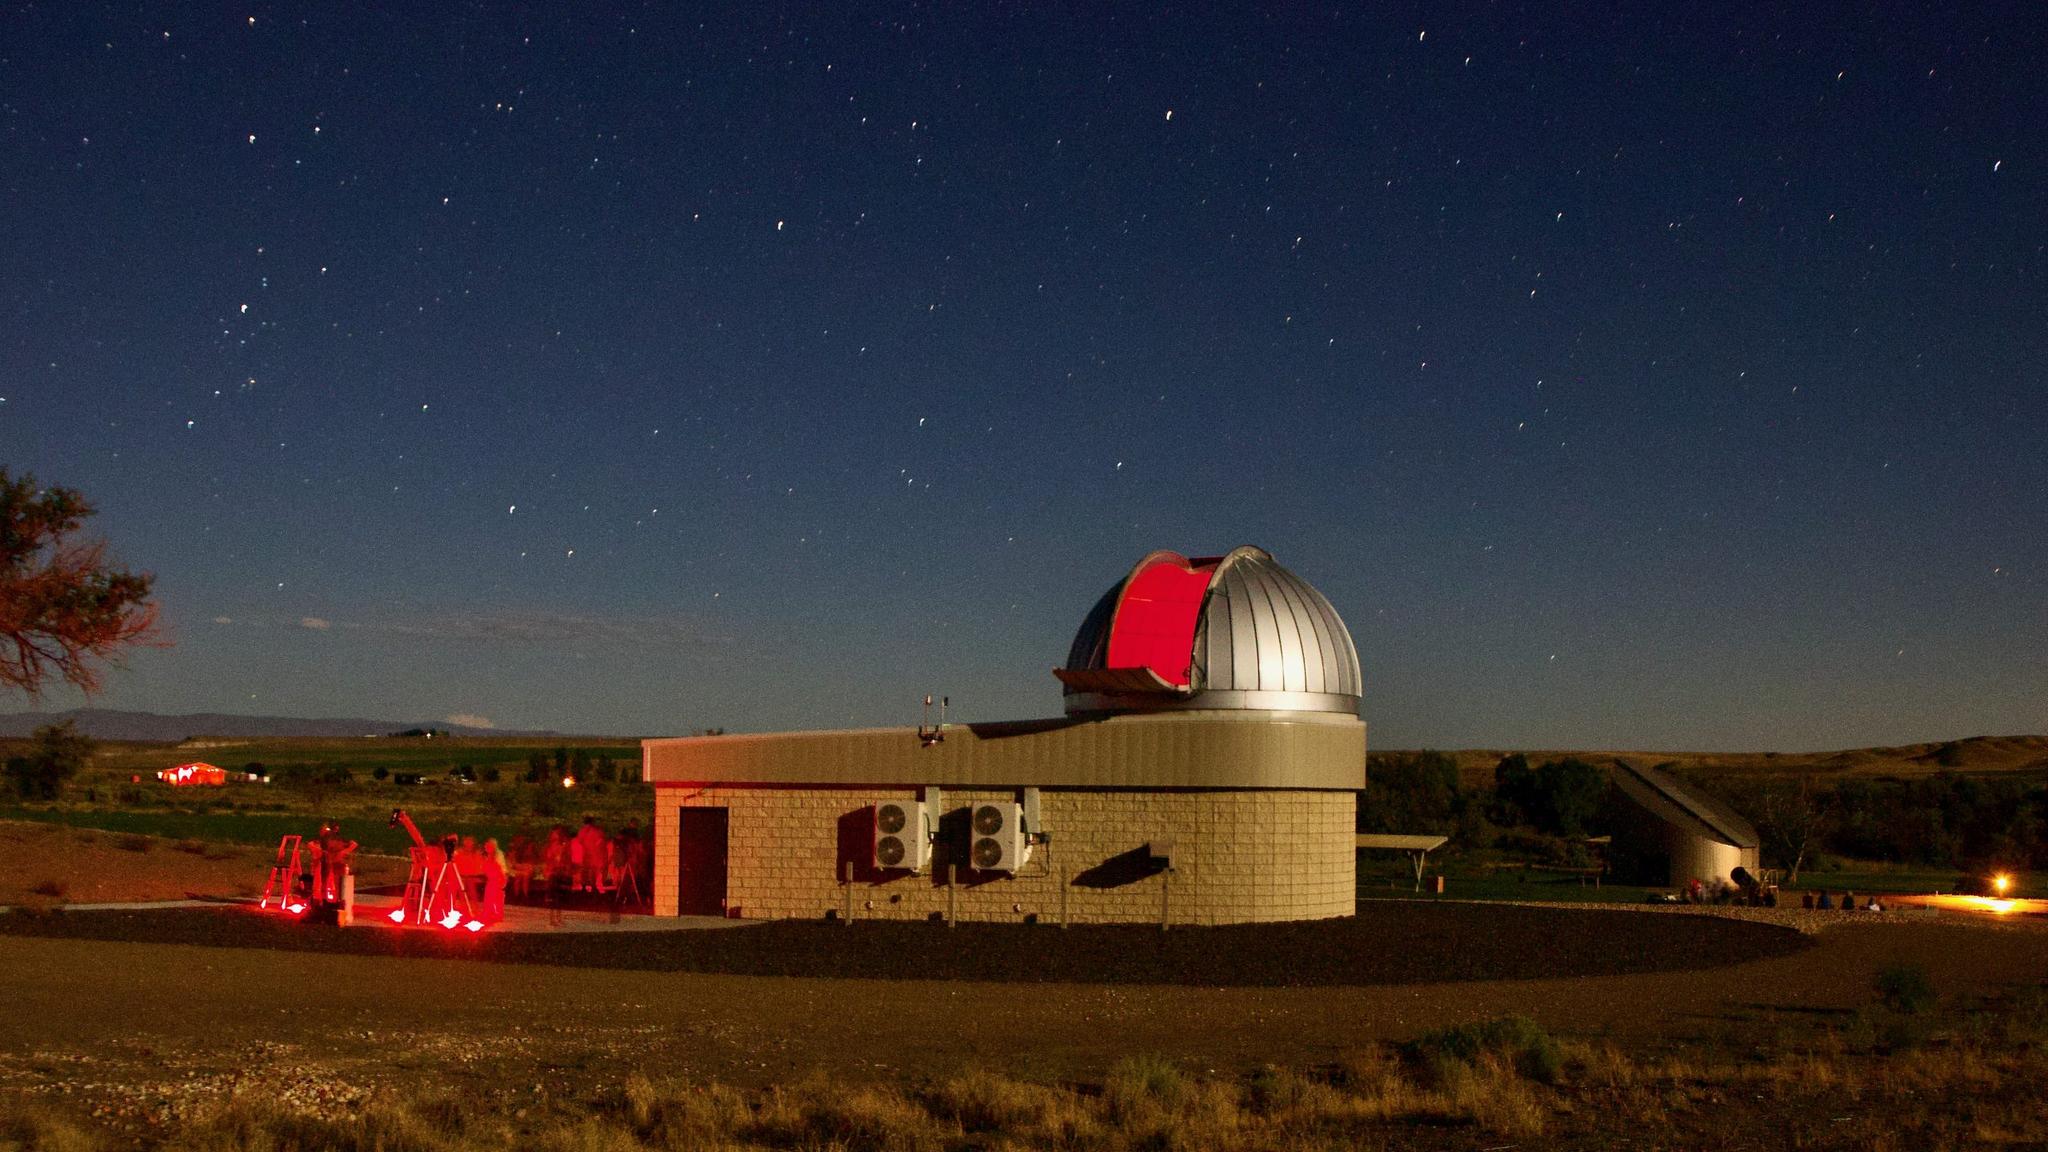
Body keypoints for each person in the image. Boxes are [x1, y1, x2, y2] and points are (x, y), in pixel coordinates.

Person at [481, 838, 507, 922]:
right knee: (489, 896)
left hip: (498, 879)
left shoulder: (498, 855)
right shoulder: (488, 855)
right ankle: (489, 913)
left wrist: (502, 879)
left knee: (497, 898)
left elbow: (499, 868)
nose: (486, 848)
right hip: (492, 879)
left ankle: (497, 915)